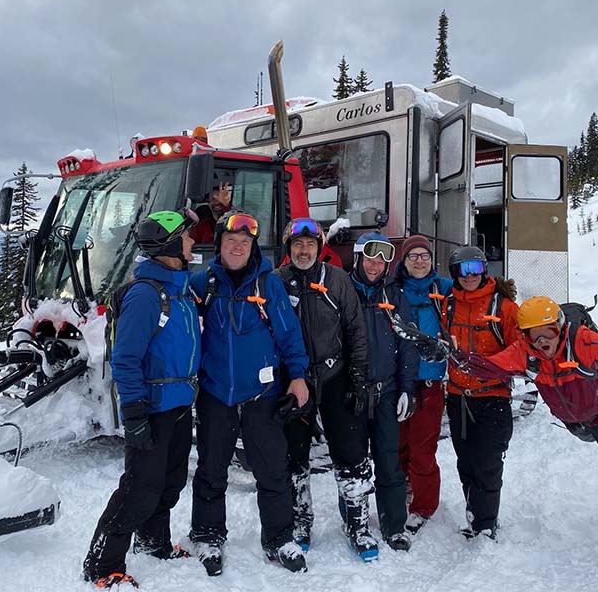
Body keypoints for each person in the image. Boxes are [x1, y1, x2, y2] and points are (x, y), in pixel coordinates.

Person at [458, 295, 598, 518]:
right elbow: (489, 367)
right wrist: (453, 357)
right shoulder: (524, 353)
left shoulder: (581, 341)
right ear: (525, 336)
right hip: (572, 419)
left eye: (549, 331)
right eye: (534, 333)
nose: (542, 340)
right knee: (588, 435)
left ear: (560, 327)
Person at [82, 210, 200, 589]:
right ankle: (103, 564)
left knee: (171, 480)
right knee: (139, 488)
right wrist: (134, 411)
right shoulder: (146, 296)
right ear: (168, 246)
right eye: (186, 236)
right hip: (151, 407)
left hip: (180, 403)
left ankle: (153, 541)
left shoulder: (179, 290)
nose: (192, 242)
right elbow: (126, 358)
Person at [189, 211, 310, 576]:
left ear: (252, 246)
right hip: (215, 394)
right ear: (220, 246)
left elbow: (289, 333)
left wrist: (299, 376)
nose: (238, 247)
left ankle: (279, 538)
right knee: (211, 470)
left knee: (273, 470)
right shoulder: (202, 283)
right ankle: (208, 536)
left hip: (262, 394)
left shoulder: (268, 284)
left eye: (244, 242)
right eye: (231, 242)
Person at [274, 218, 377, 559]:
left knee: (350, 453)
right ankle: (299, 520)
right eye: (297, 245)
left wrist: (359, 374)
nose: (304, 251)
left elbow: (355, 329)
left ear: (319, 248)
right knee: (293, 458)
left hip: (335, 377)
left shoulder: (336, 279)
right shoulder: (276, 282)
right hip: (294, 381)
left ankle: (357, 523)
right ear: (289, 248)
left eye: (310, 245)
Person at [439, 245, 520, 540]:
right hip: (459, 397)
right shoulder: (448, 304)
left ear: (484, 270)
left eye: (475, 268)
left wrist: (489, 366)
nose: (469, 275)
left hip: (492, 397)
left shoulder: (504, 307)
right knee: (466, 462)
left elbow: (520, 348)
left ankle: (486, 524)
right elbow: (442, 340)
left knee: (487, 463)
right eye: (463, 269)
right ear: (454, 273)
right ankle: (474, 514)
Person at [348, 232, 419, 552]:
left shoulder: (395, 295)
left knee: (389, 461)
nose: (375, 266)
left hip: (387, 391)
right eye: (370, 258)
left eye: (381, 261)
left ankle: (394, 525)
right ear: (358, 257)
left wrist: (408, 388)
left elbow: (407, 342)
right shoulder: (342, 289)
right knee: (353, 462)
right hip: (351, 392)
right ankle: (355, 523)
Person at [392, 235, 452, 535]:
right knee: (399, 442)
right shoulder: (394, 289)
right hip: (399, 380)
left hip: (429, 381)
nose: (418, 260)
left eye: (424, 255)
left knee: (423, 448)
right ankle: (404, 485)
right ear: (403, 261)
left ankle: (424, 505)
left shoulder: (443, 288)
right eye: (412, 256)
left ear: (432, 259)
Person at [189, 178, 232, 244]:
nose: (217, 202)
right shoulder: (201, 226)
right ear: (208, 202)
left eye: (220, 199)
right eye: (213, 199)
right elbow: (192, 245)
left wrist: (226, 205)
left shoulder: (234, 221)